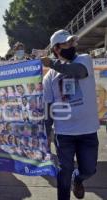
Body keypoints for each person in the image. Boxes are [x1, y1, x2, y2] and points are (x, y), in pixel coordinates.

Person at [42, 30, 100, 200]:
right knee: (63, 172)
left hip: (87, 131)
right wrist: (46, 134)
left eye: (72, 42)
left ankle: (79, 178)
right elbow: (47, 107)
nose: (72, 45)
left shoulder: (84, 60)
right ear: (57, 49)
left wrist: (51, 63)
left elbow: (78, 72)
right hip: (64, 133)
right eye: (67, 43)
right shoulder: (49, 78)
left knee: (89, 170)